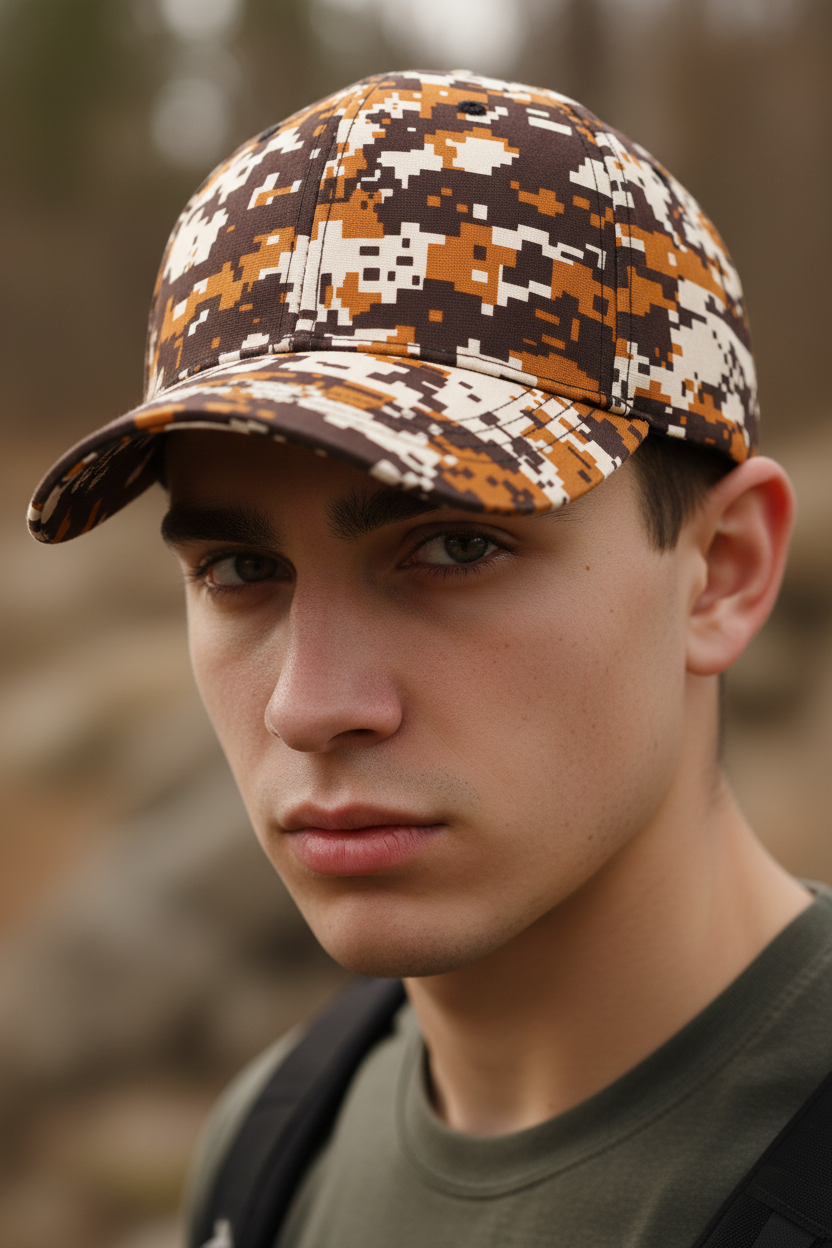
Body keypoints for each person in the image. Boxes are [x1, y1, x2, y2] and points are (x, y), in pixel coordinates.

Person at [28, 70, 832, 1248]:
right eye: (240, 572)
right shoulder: (271, 1150)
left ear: (721, 572)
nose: (312, 706)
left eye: (454, 547)